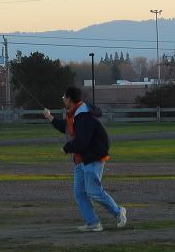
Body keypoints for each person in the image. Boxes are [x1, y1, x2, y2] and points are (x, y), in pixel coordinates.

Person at [44, 86, 127, 232]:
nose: (63, 100)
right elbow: (66, 127)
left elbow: (82, 141)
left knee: (94, 191)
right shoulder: (76, 113)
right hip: (81, 159)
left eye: (64, 97)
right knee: (80, 193)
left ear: (69, 99)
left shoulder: (83, 116)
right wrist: (50, 117)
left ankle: (119, 211)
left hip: (92, 158)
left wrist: (66, 148)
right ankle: (93, 222)